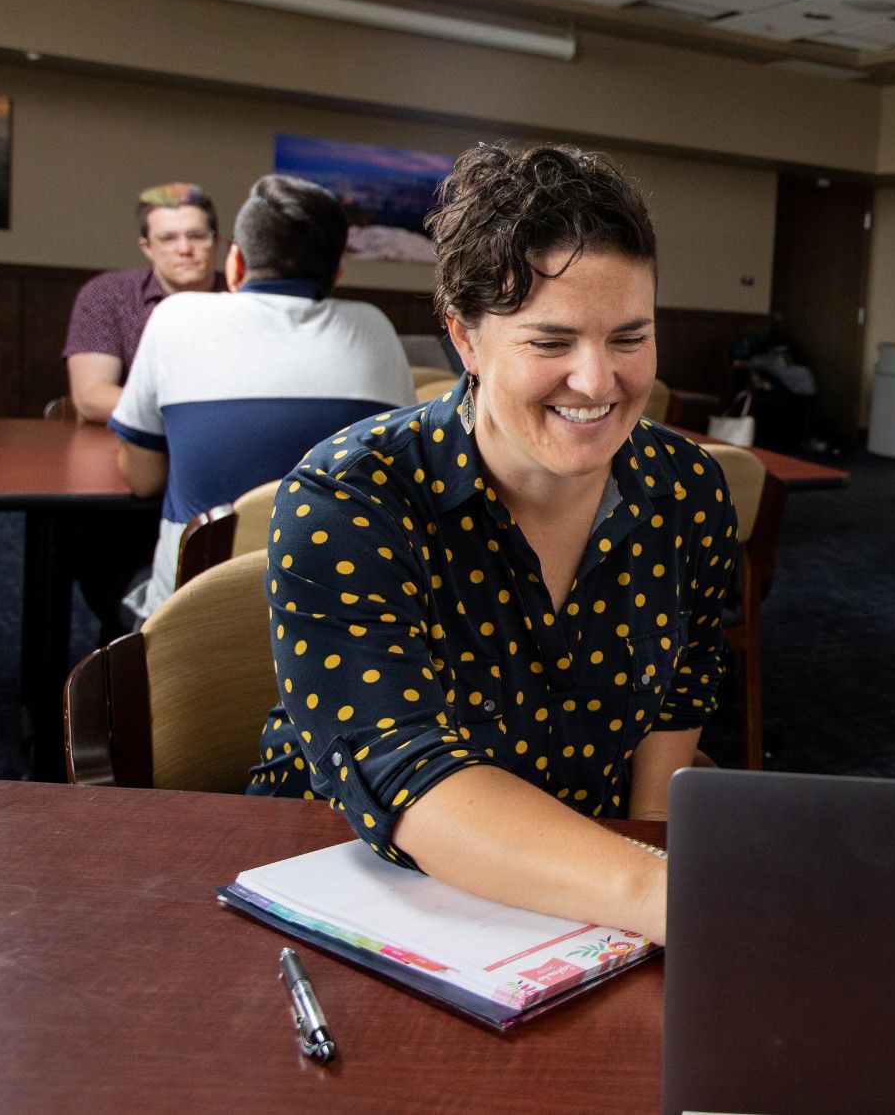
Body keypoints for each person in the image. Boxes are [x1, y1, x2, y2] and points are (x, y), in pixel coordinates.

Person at [247, 144, 737, 946]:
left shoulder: (688, 489)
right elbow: (402, 767)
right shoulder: (351, 495)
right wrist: (659, 892)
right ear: (465, 340)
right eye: (550, 343)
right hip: (353, 881)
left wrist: (645, 866)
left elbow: (680, 696)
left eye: (629, 337)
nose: (597, 380)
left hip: (584, 893)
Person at [108, 175, 416, 617]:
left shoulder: (174, 318)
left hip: (193, 618)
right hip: (335, 613)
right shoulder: (374, 329)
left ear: (235, 264)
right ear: (335, 276)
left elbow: (143, 478)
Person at [63, 183, 225, 425]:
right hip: (128, 444)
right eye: (168, 238)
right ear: (147, 248)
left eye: (196, 236)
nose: (184, 249)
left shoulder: (243, 296)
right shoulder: (107, 294)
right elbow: (91, 396)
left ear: (216, 240)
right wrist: (187, 417)